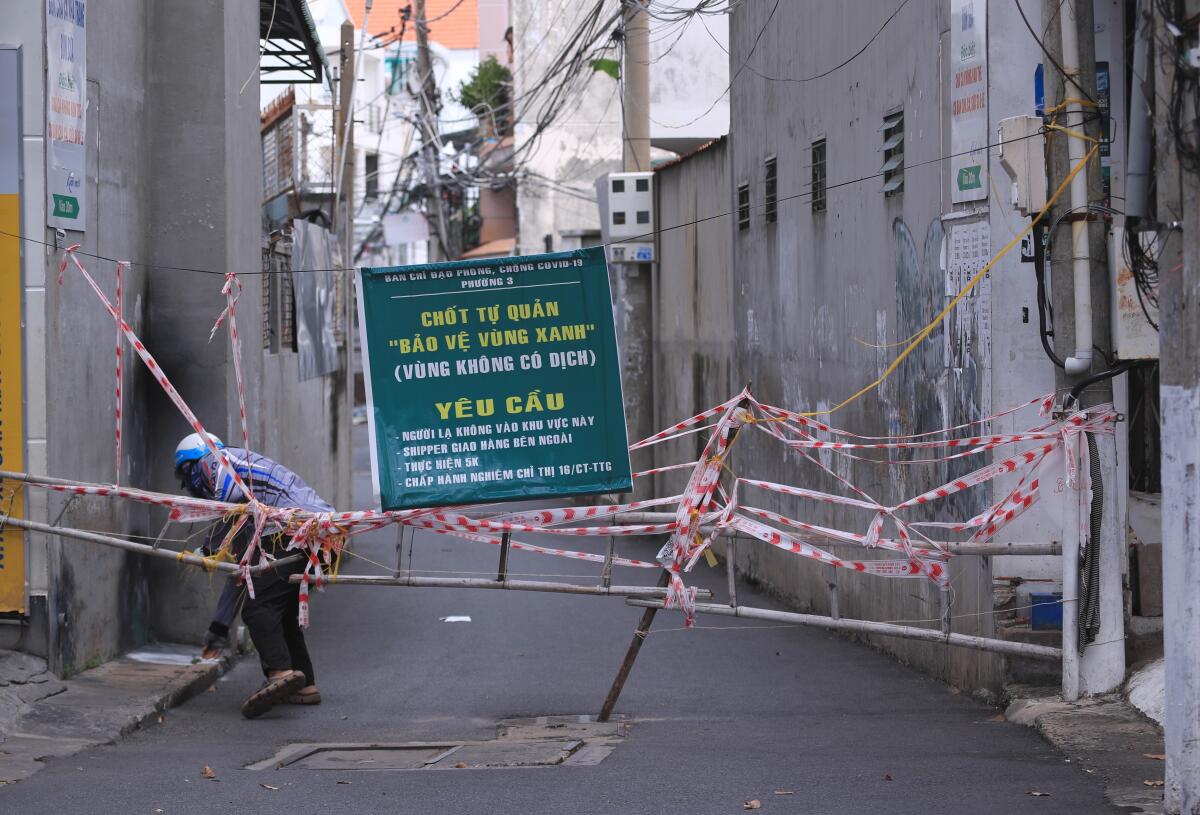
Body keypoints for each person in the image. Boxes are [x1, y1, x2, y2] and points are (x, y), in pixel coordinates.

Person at [175, 432, 334, 718]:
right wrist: (219, 627)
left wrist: (210, 549)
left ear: (192, 465)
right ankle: (303, 685)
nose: (189, 487)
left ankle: (279, 673)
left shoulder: (217, 460)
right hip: (317, 535)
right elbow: (242, 574)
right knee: (279, 609)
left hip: (297, 532)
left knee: (259, 607)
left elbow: (227, 503)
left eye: (186, 477)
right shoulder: (251, 504)